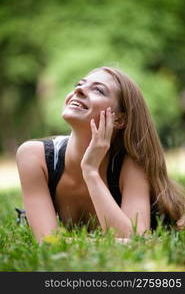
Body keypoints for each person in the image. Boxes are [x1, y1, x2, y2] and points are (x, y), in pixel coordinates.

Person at [16, 66, 185, 243]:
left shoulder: (132, 164)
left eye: (98, 90)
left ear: (118, 119)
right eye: (79, 84)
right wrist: (108, 242)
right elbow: (48, 242)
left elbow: (136, 241)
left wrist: (90, 172)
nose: (78, 89)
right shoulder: (33, 156)